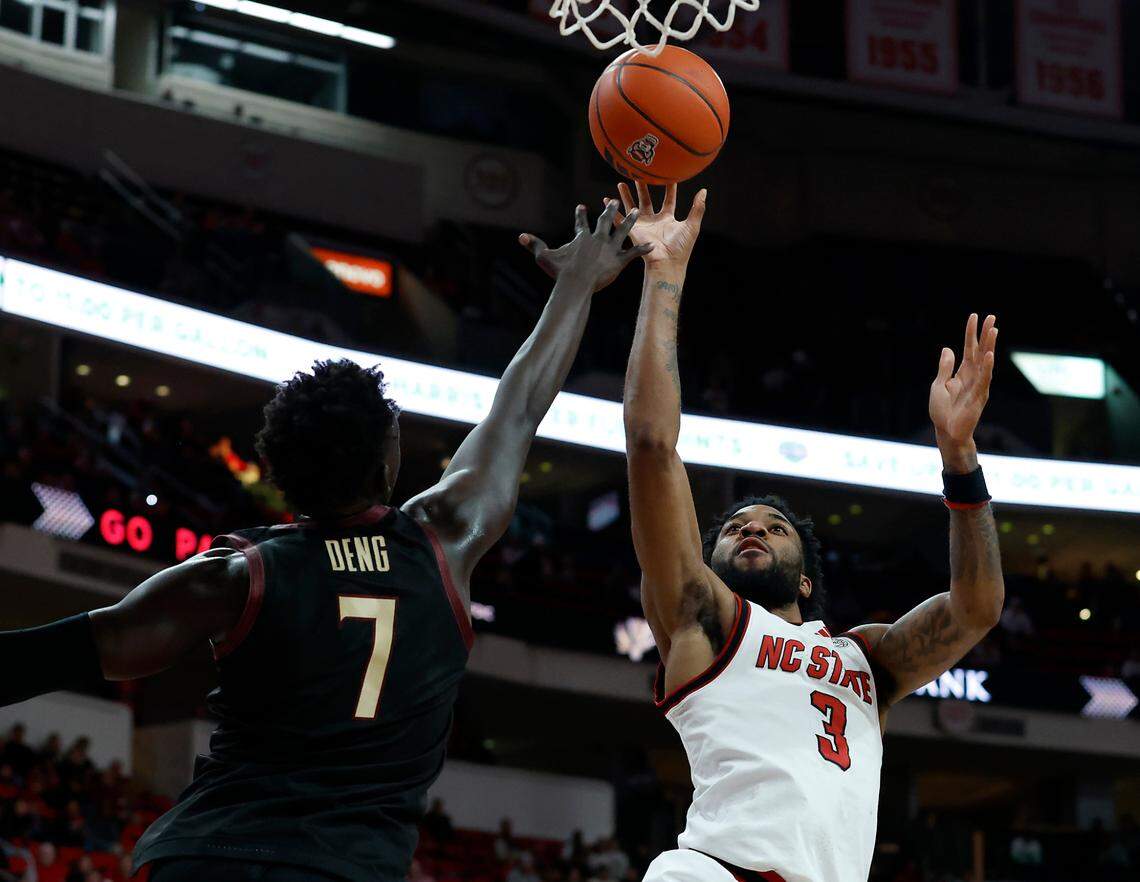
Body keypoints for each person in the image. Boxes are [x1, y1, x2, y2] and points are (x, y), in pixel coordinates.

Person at [0, 199, 650, 882]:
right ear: (385, 463)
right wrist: (576, 283)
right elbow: (518, 407)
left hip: (209, 856)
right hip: (345, 868)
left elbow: (70, 651)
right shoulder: (446, 541)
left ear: (280, 473)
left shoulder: (235, 574)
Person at [617, 182, 1005, 882]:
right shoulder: (702, 616)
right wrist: (662, 278)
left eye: (773, 526)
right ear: (706, 559)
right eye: (734, 526)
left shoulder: (870, 661)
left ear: (804, 576)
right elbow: (651, 444)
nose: (750, 528)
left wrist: (960, 460)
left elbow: (976, 608)